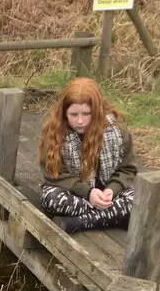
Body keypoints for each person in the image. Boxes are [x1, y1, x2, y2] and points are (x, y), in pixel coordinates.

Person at [35, 77, 137, 234]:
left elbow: (128, 169)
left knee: (138, 199)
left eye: (86, 114)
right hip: (76, 194)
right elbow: (52, 175)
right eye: (74, 114)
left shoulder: (117, 130)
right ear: (64, 112)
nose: (80, 121)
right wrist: (88, 193)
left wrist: (112, 189)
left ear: (97, 111)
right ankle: (113, 216)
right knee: (52, 199)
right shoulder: (54, 132)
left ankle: (82, 222)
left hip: (108, 195)